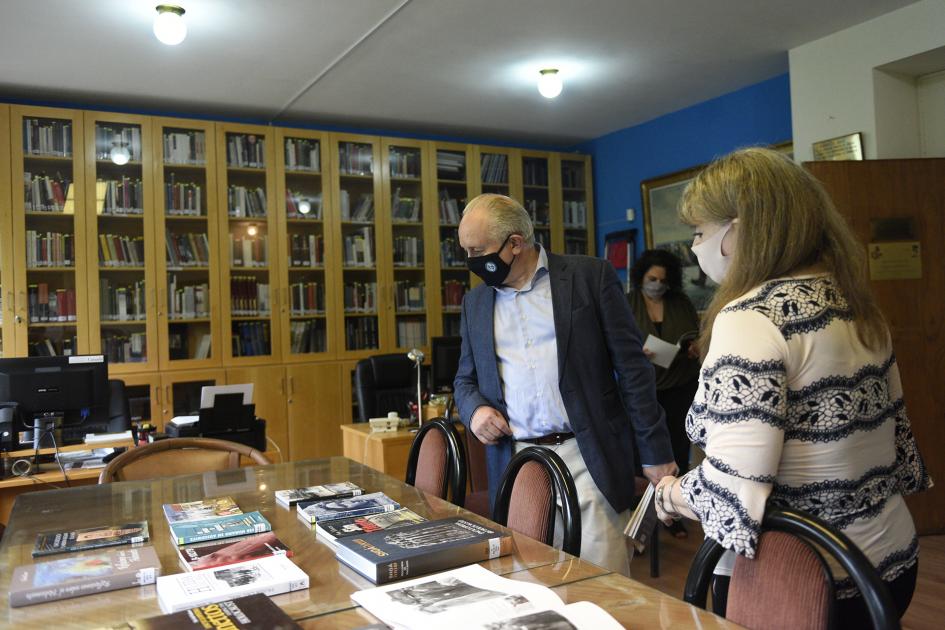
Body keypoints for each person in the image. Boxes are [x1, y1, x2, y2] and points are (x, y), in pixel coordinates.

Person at [651, 148, 931, 625]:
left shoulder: (751, 318)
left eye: (699, 232)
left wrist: (669, 496)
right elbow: (897, 441)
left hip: (801, 580)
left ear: (736, 231)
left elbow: (732, 490)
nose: (695, 247)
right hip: (888, 562)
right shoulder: (854, 302)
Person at [453, 193, 675, 575]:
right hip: (517, 462)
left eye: (477, 250)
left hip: (589, 455)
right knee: (529, 583)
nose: (470, 261)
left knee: (601, 583)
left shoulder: (590, 277)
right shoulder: (475, 303)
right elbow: (464, 379)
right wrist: (474, 410)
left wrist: (654, 453)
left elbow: (633, 369)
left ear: (515, 244)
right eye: (465, 250)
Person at [627, 249, 701, 538]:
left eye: (663, 280)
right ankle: (642, 514)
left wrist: (695, 346)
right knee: (642, 454)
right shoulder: (628, 302)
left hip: (680, 386)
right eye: (652, 278)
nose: (657, 284)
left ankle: (674, 512)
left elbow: (694, 335)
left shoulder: (679, 302)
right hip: (644, 391)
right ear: (641, 277)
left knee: (678, 451)